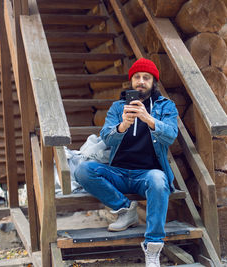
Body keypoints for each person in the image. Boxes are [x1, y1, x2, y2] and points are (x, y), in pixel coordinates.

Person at [74, 58, 178, 267]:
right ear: (131, 81)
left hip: (148, 174)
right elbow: (106, 137)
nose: (141, 81)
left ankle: (153, 248)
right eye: (137, 77)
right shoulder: (117, 107)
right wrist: (122, 125)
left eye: (146, 78)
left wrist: (148, 119)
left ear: (153, 82)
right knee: (83, 170)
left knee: (159, 180)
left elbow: (171, 135)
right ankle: (125, 209)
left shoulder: (166, 106)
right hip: (119, 172)